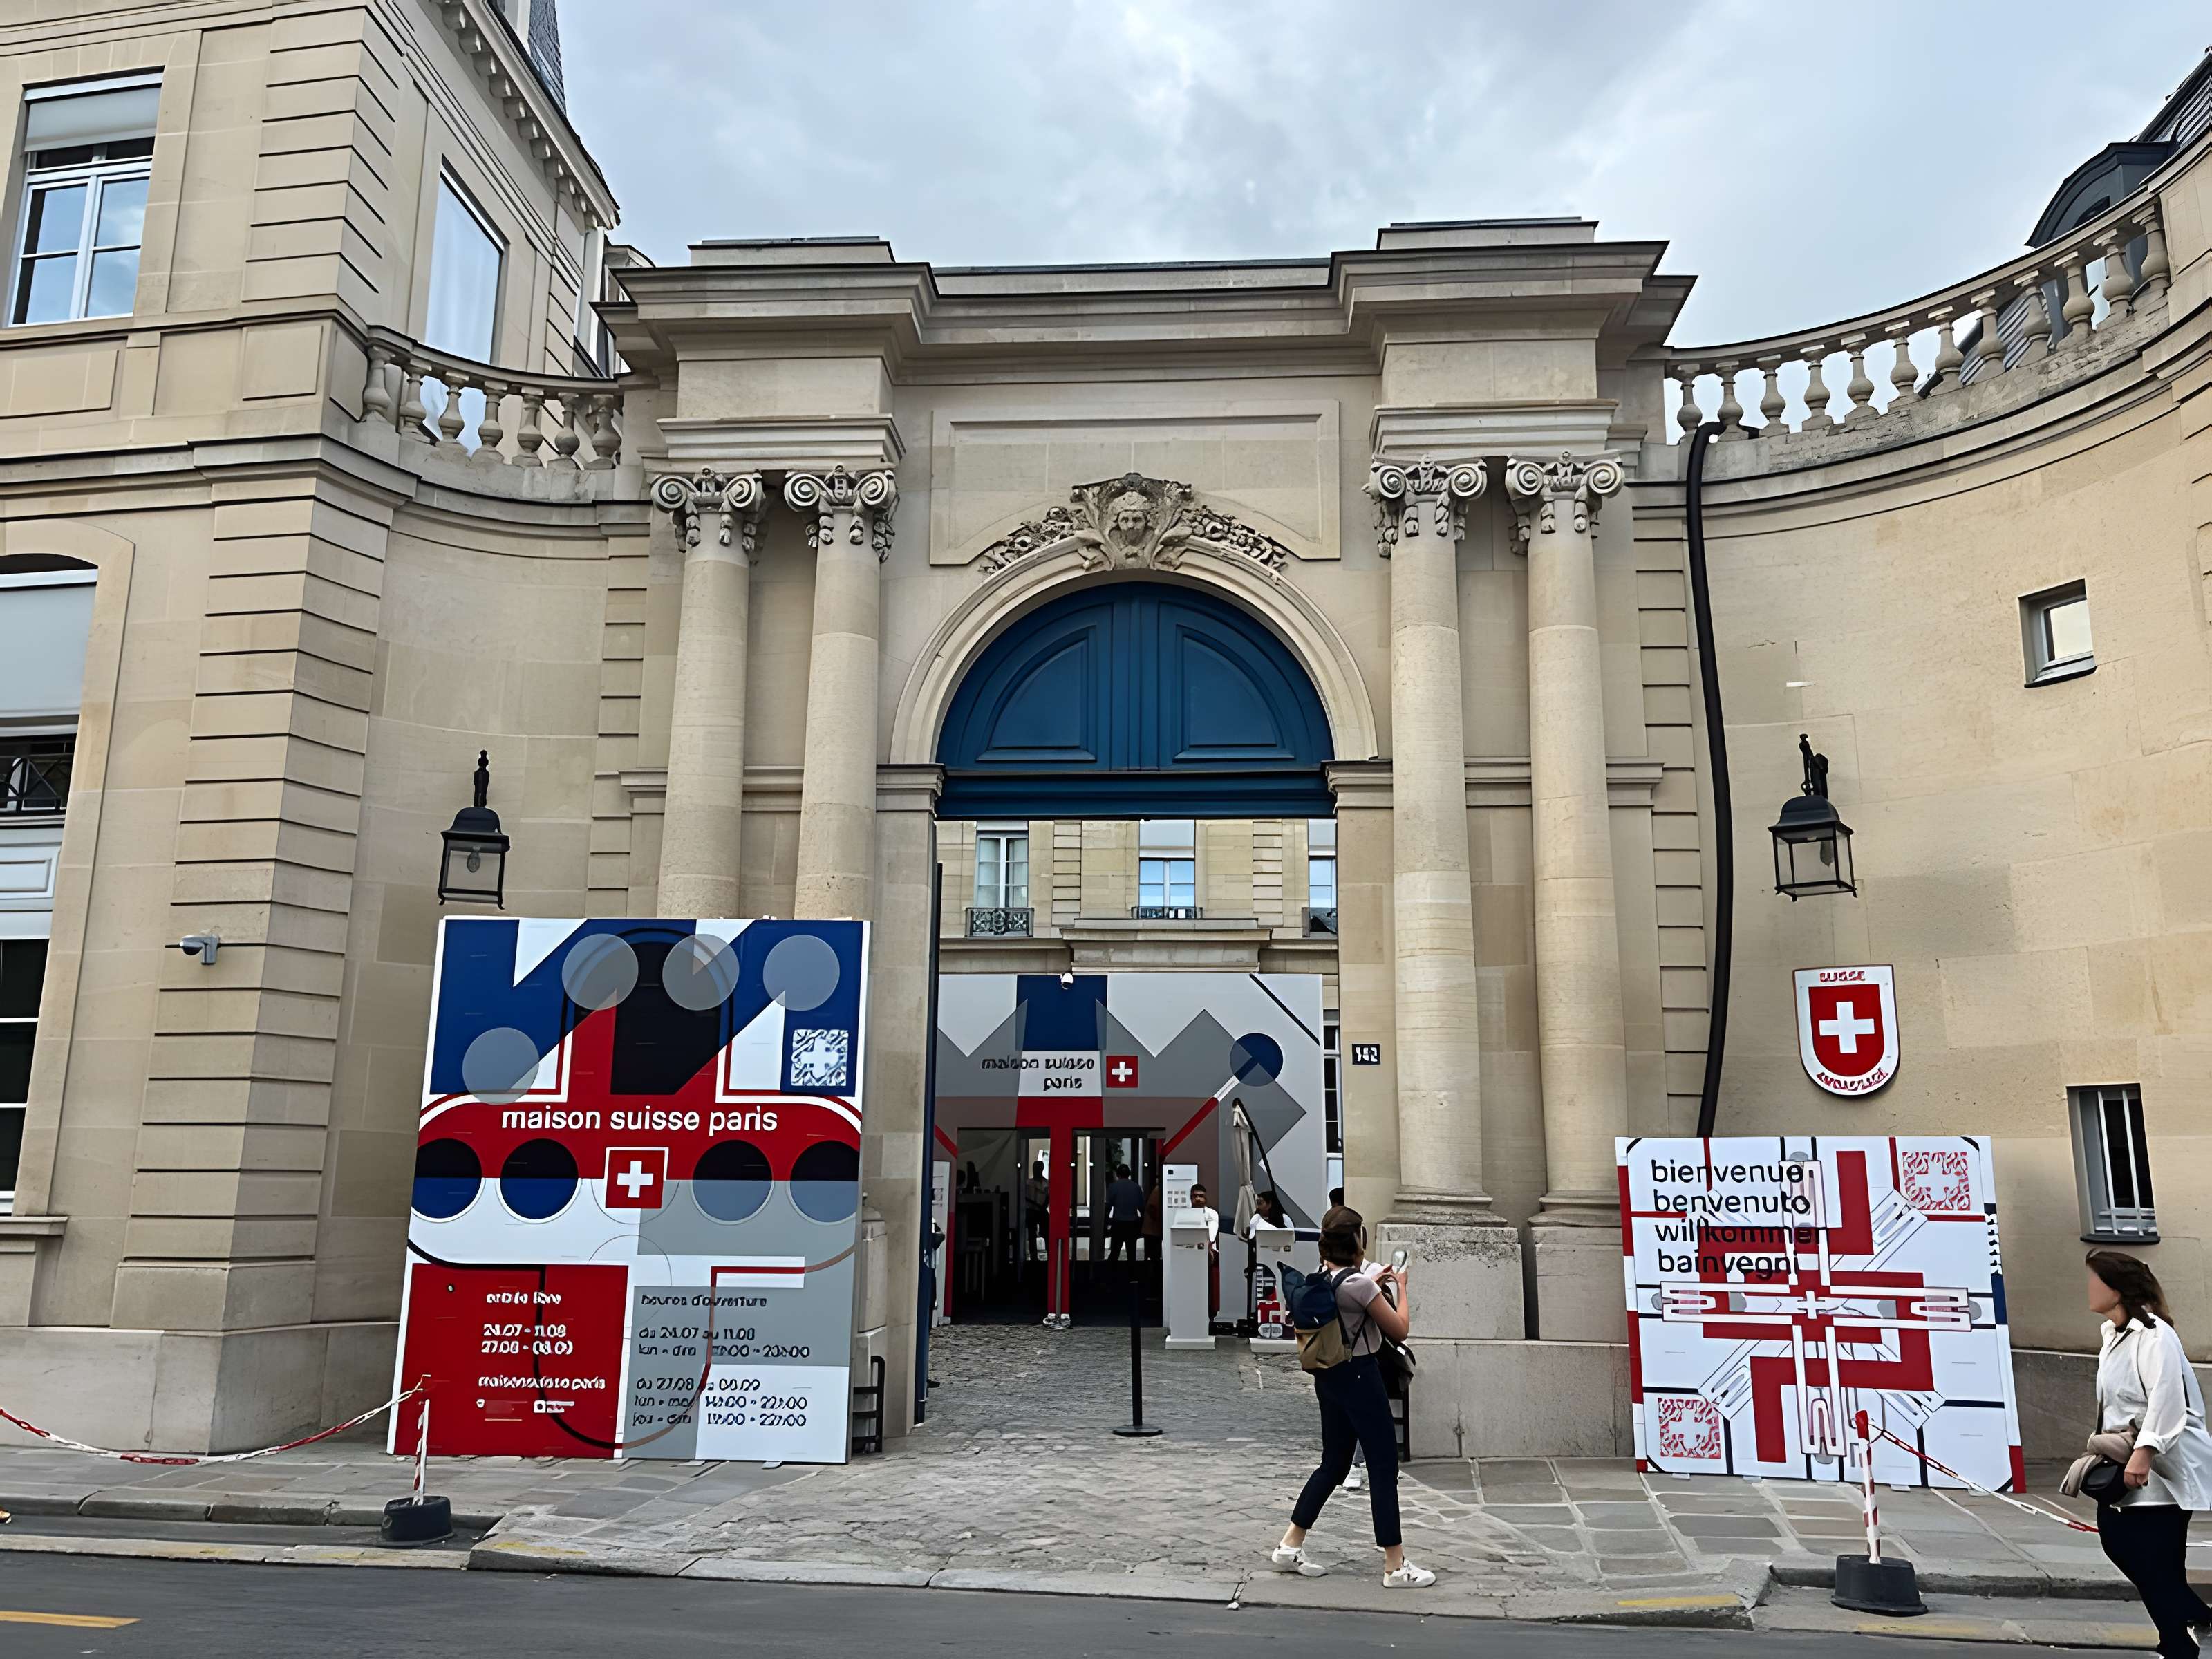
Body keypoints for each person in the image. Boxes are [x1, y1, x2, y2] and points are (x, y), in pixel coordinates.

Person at [1272, 1206, 1432, 1588]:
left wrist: (1371, 1280)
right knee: (1382, 1466)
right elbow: (1400, 1329)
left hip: (1329, 1376)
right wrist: (1402, 1286)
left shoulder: (1323, 1277)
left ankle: (1289, 1545)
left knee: (1334, 1462)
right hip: (1361, 1376)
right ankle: (1395, 1565)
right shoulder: (1360, 1285)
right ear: (1359, 1241)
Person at [2086, 1250, 2212, 1659]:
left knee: (2149, 1559)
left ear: (2117, 1290)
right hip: (2126, 1462)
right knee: (2135, 1554)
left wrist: (2144, 1452)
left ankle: (2187, 1632)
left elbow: (2167, 1398)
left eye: (2094, 1280)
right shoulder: (2112, 1335)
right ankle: (2180, 1638)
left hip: (2162, 1471)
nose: (2088, 1288)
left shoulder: (2156, 1335)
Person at [1185, 1183, 1221, 1316]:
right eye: (1195, 1196)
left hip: (1208, 1254)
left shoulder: (1212, 1214)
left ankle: (1209, 1315)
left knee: (1209, 1288)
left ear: (1206, 1198)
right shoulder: (1185, 1214)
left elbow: (1212, 1234)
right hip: (1190, 1254)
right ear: (1191, 1198)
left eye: (1201, 1196)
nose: (1198, 1199)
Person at [1103, 1163, 1145, 1265]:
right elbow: (1142, 1208)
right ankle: (1132, 1276)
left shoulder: (1113, 1187)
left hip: (1118, 1223)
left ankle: (1111, 1275)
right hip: (1132, 1223)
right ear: (1129, 1174)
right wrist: (1143, 1224)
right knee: (1132, 1253)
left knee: (1115, 1252)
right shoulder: (1136, 1188)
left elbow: (1108, 1207)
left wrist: (1105, 1224)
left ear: (1118, 1174)